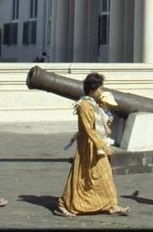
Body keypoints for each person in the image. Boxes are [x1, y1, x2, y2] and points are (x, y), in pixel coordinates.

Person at [54, 72, 130, 218]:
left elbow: (97, 126)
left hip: (96, 146)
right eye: (100, 88)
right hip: (88, 147)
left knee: (105, 175)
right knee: (80, 177)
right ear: (93, 88)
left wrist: (105, 124)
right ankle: (65, 204)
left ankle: (111, 205)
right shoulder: (84, 105)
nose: (101, 91)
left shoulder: (92, 105)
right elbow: (88, 129)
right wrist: (103, 146)